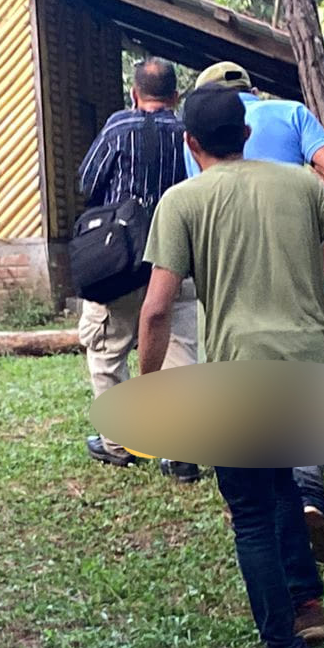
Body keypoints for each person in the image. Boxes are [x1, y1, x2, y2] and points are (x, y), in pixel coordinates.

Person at [138, 86, 324, 648]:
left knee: (250, 511)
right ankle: (306, 604)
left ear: (189, 142)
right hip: (309, 367)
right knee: (279, 488)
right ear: (246, 136)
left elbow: (155, 311)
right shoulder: (299, 184)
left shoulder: (182, 202)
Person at [190, 59, 324, 561]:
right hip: (296, 277)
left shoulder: (198, 139)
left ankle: (269, 513)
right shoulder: (291, 114)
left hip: (232, 303)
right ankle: (307, 496)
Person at [77, 57, 200, 480]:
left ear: (135, 93)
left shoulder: (117, 127)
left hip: (120, 260)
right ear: (175, 96)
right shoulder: (189, 134)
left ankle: (118, 442)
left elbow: (87, 183)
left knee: (108, 347)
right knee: (181, 349)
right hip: (177, 258)